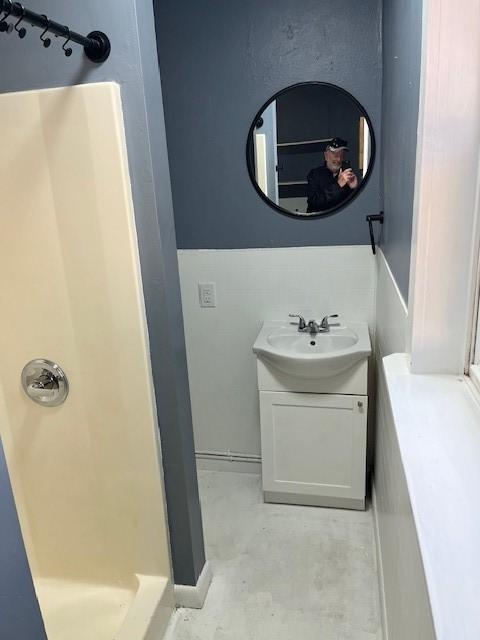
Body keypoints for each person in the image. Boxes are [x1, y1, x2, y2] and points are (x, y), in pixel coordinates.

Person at [306, 137, 359, 213]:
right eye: (336, 155)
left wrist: (354, 189)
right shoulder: (315, 174)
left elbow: (354, 209)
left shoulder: (348, 177)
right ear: (326, 156)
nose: (339, 159)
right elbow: (315, 203)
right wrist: (338, 185)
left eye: (342, 155)